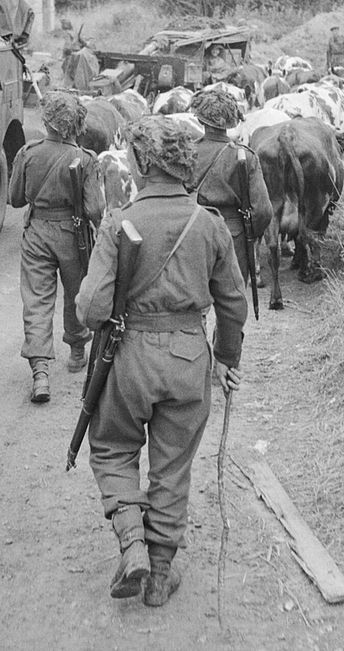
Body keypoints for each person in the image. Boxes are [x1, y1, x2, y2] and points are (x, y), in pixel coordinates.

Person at [76, 117, 246, 607]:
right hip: (190, 356)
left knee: (110, 448)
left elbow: (89, 310)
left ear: (143, 163)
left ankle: (133, 545)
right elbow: (233, 300)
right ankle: (160, 575)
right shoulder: (211, 224)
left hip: (129, 358)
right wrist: (226, 358)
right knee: (172, 468)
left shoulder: (119, 222)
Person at [9, 89, 105, 403]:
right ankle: (77, 351)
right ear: (77, 125)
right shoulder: (86, 159)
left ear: (48, 121)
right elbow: (94, 209)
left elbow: (15, 199)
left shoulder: (28, 152)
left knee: (36, 300)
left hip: (37, 231)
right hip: (73, 234)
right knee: (76, 291)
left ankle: (40, 373)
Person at [189, 87, 271, 286]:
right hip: (233, 234)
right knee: (232, 301)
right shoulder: (245, 156)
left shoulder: (187, 153)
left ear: (200, 119)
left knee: (195, 299)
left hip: (193, 230)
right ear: (231, 122)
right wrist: (248, 233)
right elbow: (263, 211)